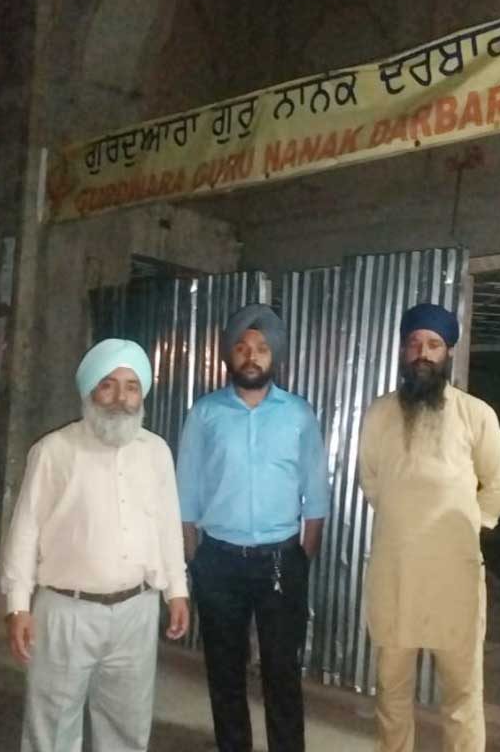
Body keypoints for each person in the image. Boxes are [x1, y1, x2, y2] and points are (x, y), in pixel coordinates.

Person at [0, 338, 189, 752]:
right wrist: (18, 606)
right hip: (67, 613)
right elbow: (25, 531)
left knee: (127, 728)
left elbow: (167, 526)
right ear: (89, 390)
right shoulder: (54, 450)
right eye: (108, 384)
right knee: (52, 729)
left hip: (136, 613)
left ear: (143, 394)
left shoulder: (156, 452)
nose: (120, 398)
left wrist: (177, 591)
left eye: (132, 386)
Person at [358, 302, 500, 752]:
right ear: (402, 352)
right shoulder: (379, 414)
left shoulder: (475, 414)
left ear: (448, 352)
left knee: (463, 699)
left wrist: (470, 526)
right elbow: (370, 481)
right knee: (391, 695)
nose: (421, 353)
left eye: (432, 345)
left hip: (455, 579)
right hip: (397, 577)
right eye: (413, 344)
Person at [177, 303, 330, 752]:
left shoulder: (299, 414)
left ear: (274, 357)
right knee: (224, 674)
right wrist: (194, 560)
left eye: (261, 348)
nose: (251, 355)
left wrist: (302, 558)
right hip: (218, 561)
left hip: (281, 560)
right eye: (242, 347)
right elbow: (185, 493)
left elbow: (315, 495)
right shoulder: (205, 414)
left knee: (282, 674)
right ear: (230, 355)